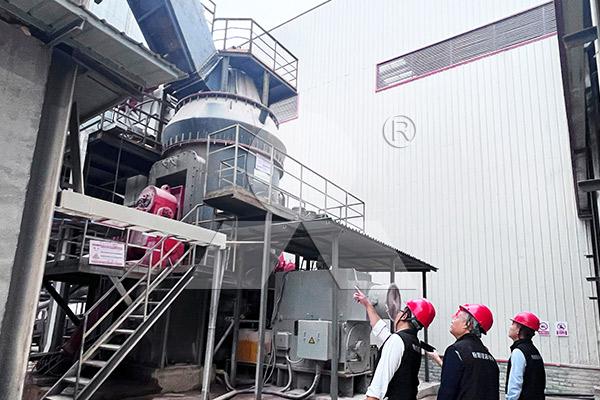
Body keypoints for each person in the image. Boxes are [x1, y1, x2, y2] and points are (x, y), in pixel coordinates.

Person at [354, 288, 436, 400]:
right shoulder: (413, 343)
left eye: (402, 310)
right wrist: (367, 304)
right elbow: (381, 329)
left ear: (405, 316)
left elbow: (376, 391)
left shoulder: (397, 341)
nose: (398, 313)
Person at [437, 304, 500, 400]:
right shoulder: (490, 359)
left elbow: (446, 392)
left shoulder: (455, 350)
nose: (453, 319)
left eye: (457, 317)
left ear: (468, 324)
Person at [506, 312, 546, 400]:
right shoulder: (534, 350)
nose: (510, 327)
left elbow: (515, 383)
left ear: (518, 330)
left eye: (513, 324)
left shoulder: (518, 352)